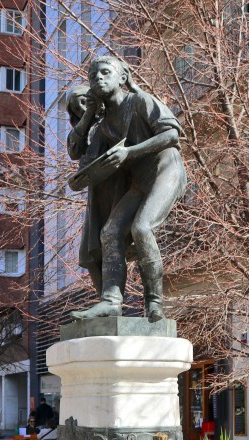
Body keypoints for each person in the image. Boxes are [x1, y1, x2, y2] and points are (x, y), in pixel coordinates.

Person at [68, 56, 186, 323]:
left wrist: (129, 152)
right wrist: (88, 113)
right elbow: (76, 153)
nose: (98, 78)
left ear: (122, 78)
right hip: (139, 183)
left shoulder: (140, 100)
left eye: (106, 72)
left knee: (142, 227)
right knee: (109, 232)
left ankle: (154, 303)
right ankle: (111, 301)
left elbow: (171, 136)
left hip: (165, 170)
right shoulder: (103, 126)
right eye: (92, 76)